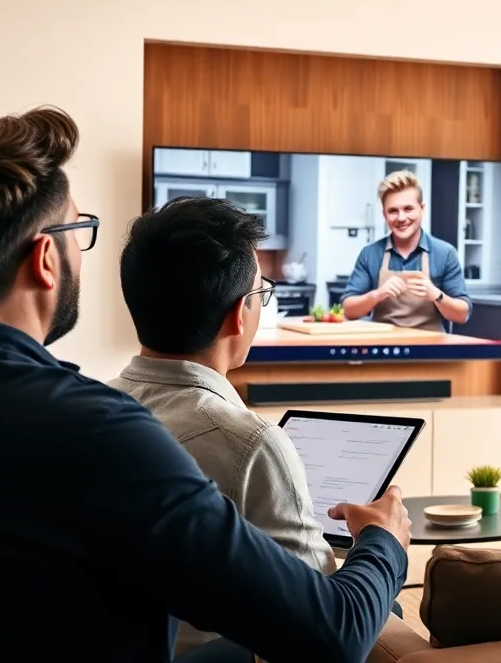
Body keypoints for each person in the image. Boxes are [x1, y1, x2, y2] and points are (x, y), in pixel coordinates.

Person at [0, 107, 411, 663]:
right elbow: (335, 633)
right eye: (77, 232)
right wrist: (384, 542)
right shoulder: (98, 435)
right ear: (44, 259)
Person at [108, 196, 347, 657]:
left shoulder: (93, 409)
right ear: (239, 313)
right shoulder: (249, 441)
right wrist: (383, 542)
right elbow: (328, 622)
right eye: (261, 294)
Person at [340, 170, 471, 332]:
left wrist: (436, 295)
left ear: (422, 209)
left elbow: (462, 315)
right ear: (384, 214)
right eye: (393, 211)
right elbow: (347, 309)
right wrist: (377, 295)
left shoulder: (445, 253)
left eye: (408, 209)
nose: (401, 218)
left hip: (431, 352)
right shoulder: (370, 254)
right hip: (383, 350)